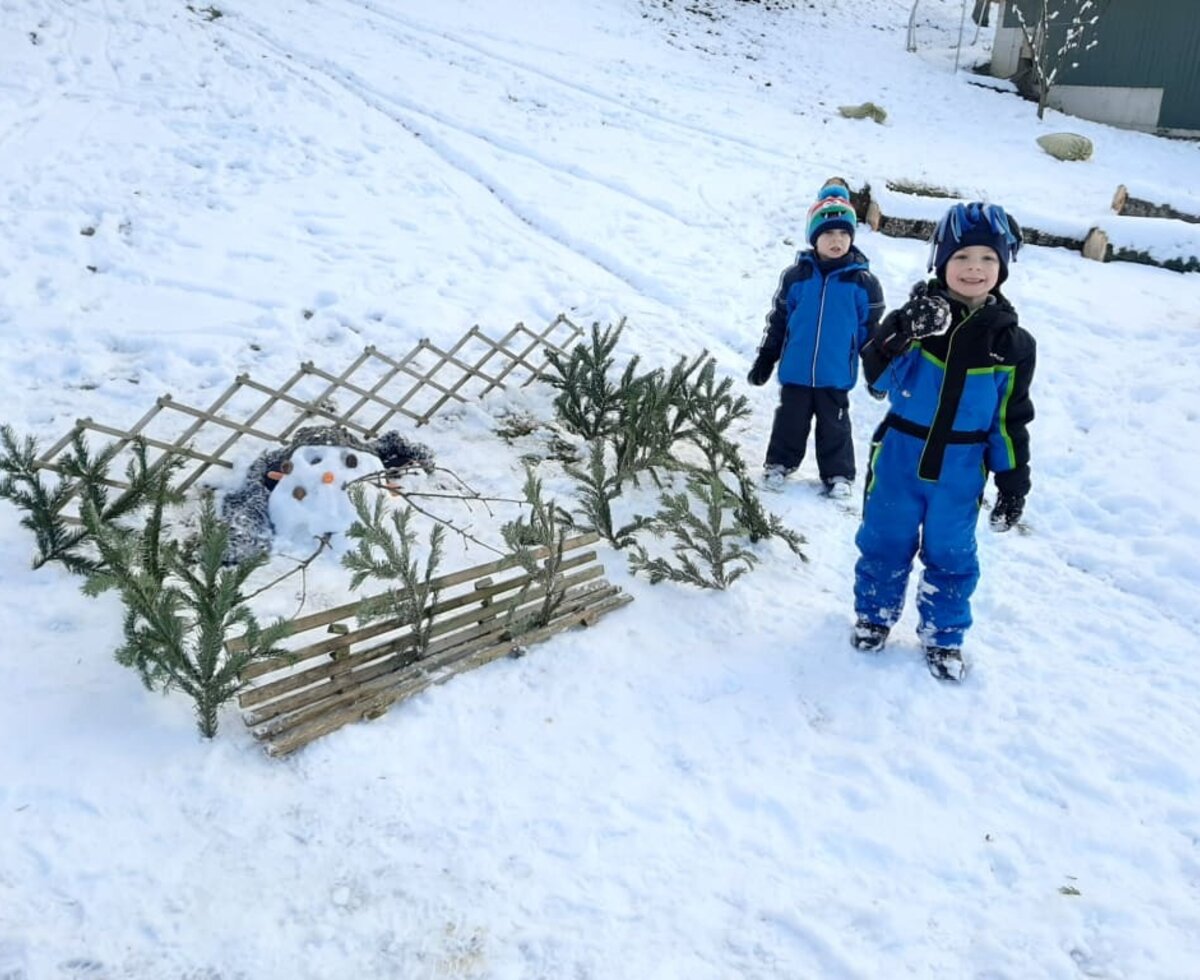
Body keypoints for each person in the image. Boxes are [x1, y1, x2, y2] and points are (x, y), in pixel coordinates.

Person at [851, 201, 1035, 681]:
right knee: (884, 541)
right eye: (962, 258)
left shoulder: (1012, 344)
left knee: (951, 555)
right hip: (899, 457)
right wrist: (902, 332)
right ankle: (874, 615)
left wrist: (1013, 479)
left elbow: (1009, 419)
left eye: (988, 259)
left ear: (1004, 266)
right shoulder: (915, 319)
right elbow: (877, 381)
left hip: (961, 467)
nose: (974, 268)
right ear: (940, 262)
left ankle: (943, 636)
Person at [747, 181, 885, 497]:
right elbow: (779, 320)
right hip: (796, 369)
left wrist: (877, 372)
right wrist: (767, 356)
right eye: (828, 234)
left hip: (835, 373)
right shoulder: (797, 277)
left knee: (834, 426)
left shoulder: (863, 284)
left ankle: (838, 475)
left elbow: (870, 333)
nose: (836, 240)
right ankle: (779, 465)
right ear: (814, 238)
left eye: (843, 234)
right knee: (789, 421)